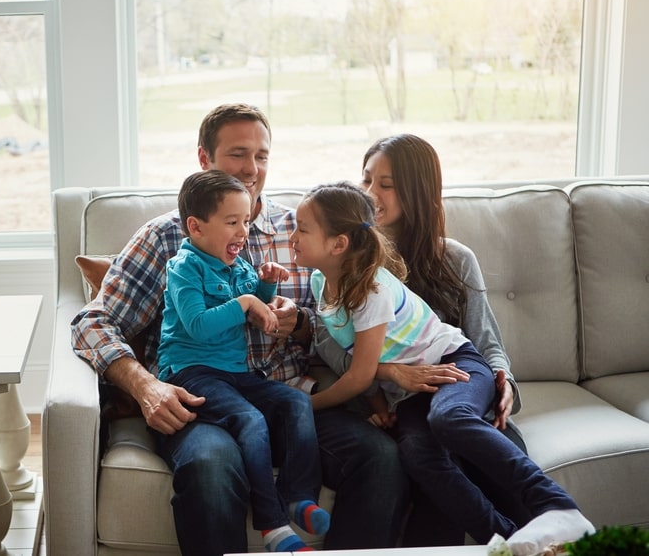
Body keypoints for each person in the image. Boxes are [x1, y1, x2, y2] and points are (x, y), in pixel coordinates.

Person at [72, 103, 409, 556]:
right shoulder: (167, 239)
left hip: (285, 392)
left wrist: (302, 325)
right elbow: (91, 321)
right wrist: (145, 386)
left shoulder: (303, 230)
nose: (252, 169)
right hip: (201, 399)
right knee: (210, 468)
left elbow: (347, 323)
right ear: (204, 159)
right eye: (238, 154)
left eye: (262, 156)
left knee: (382, 459)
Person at [290, 181, 595, 555]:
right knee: (420, 456)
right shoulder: (323, 282)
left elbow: (361, 374)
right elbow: (357, 357)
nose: (292, 236)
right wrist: (381, 409)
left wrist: (302, 405)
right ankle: (507, 542)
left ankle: (557, 506)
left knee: (450, 419)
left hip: (455, 364)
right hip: (411, 396)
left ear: (338, 244)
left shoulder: (371, 290)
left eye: (301, 229)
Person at [361, 132, 529, 545]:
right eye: (366, 180)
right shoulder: (354, 266)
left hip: (464, 393)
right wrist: (389, 380)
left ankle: (542, 537)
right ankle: (517, 545)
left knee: (499, 450)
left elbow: (486, 341)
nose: (370, 194)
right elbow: (340, 352)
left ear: (417, 192)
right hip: (410, 407)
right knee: (428, 459)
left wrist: (504, 381)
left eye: (386, 184)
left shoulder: (455, 258)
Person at [158, 169, 329, 552]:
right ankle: (273, 527)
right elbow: (199, 325)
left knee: (296, 402)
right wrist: (247, 302)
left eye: (247, 221)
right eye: (232, 222)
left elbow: (254, 302)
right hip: (190, 373)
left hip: (235, 373)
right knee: (249, 419)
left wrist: (265, 286)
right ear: (196, 228)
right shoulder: (184, 268)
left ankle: (298, 496)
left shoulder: (238, 266)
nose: (243, 232)